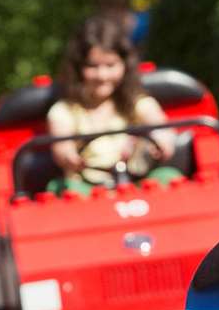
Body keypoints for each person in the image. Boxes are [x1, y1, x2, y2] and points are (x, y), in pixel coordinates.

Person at [45, 15, 181, 196]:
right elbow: (62, 145)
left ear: (124, 65)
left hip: (136, 184)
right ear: (78, 68)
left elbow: (159, 124)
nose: (102, 75)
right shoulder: (65, 111)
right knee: (62, 190)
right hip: (89, 190)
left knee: (169, 176)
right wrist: (68, 156)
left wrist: (163, 140)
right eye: (93, 66)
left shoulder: (136, 102)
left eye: (110, 65)